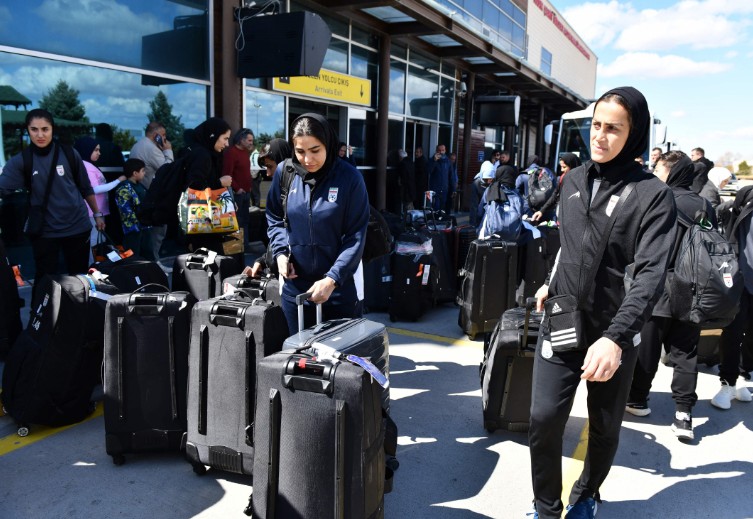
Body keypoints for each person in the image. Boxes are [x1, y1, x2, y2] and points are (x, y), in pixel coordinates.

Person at [528, 87, 676, 519]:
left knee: (605, 426)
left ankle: (588, 494)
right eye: (596, 125)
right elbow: (568, 244)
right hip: (562, 322)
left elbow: (651, 276)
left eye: (613, 128)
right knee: (542, 419)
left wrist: (615, 338)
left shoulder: (653, 195)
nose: (600, 136)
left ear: (634, 134)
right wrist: (549, 282)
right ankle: (545, 507)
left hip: (614, 333)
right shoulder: (572, 179)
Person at [626, 150, 717, 442]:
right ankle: (684, 415)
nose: (656, 173)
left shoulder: (659, 199)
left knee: (647, 348)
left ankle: (638, 400)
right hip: (693, 290)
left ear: (672, 172)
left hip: (659, 288)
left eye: (660, 169)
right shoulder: (704, 204)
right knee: (686, 353)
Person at [266, 113, 369, 334]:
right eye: (300, 151)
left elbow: (356, 236)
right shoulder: (285, 173)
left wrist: (332, 279)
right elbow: (275, 217)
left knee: (341, 364)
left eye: (315, 151)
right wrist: (281, 253)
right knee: (298, 360)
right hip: (296, 289)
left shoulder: (349, 178)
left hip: (340, 287)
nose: (307, 159)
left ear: (328, 145)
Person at [0, 109, 104, 300]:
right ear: (28, 131)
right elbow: (3, 188)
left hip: (77, 227)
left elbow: (85, 188)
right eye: (34, 129)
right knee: (44, 281)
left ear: (52, 129)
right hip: (45, 232)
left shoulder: (68, 153)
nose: (40, 135)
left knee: (79, 279)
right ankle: (40, 321)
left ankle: (81, 319)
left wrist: (97, 214)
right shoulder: (22, 160)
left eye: (45, 129)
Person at [711, 184, 753, 410]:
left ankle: (744, 377)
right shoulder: (744, 199)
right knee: (733, 332)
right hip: (740, 281)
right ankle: (728, 382)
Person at [183, 117, 233, 255]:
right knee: (210, 261)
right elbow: (195, 188)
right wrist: (220, 183)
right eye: (225, 138)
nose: (227, 143)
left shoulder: (203, 152)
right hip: (203, 225)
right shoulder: (202, 155)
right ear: (213, 136)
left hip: (205, 223)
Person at [73, 136, 125, 260]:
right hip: (92, 212)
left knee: (95, 242)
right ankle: (91, 269)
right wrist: (118, 180)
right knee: (93, 242)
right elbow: (94, 189)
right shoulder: (86, 166)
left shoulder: (87, 165)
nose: (99, 153)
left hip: (95, 211)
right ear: (86, 150)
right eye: (96, 150)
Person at [130, 121, 174, 262]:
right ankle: (155, 262)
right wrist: (168, 150)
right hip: (152, 195)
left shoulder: (137, 145)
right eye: (163, 135)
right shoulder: (151, 148)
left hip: (142, 192)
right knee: (157, 232)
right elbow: (167, 170)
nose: (165, 139)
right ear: (156, 135)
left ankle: (151, 261)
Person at [223, 128, 254, 244]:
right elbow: (227, 174)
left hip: (246, 193)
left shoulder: (245, 153)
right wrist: (237, 188)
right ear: (241, 140)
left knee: (245, 220)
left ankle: (245, 246)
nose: (251, 143)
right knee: (236, 221)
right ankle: (236, 247)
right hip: (237, 194)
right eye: (249, 140)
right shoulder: (231, 153)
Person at [530, 152, 581, 223]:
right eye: (561, 166)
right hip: (563, 218)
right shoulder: (563, 178)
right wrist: (542, 211)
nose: (562, 170)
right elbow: (555, 195)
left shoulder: (582, 181)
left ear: (572, 166)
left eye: (564, 167)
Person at [114, 158, 150, 258]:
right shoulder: (124, 188)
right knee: (131, 256)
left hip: (143, 227)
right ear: (135, 173)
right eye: (143, 170)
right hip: (132, 229)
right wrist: (139, 222)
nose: (144, 173)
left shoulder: (139, 185)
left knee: (145, 254)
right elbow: (126, 211)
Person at [427, 144, 455, 211]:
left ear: (445, 151)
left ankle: (440, 220)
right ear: (436, 151)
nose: (441, 152)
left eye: (442, 150)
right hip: (435, 189)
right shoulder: (432, 160)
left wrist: (453, 189)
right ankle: (435, 220)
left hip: (444, 189)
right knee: (435, 207)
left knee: (442, 208)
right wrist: (434, 160)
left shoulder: (448, 161)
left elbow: (451, 176)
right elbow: (429, 171)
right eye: (439, 150)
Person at [469, 159, 495, 227]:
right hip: (479, 213)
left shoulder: (495, 183)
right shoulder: (476, 183)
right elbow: (473, 205)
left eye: (491, 179)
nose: (489, 181)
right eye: (486, 179)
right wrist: (473, 224)